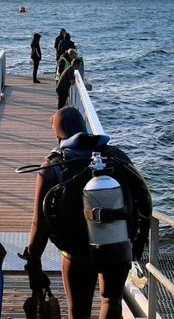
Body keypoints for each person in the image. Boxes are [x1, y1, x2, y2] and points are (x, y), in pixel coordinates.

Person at [21, 107, 152, 319]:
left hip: (76, 253)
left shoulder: (53, 166)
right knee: (111, 299)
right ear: (84, 127)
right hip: (116, 244)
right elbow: (144, 200)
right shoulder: (117, 156)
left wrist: (34, 260)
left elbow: (40, 223)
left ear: (57, 135)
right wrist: (135, 246)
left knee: (78, 311)